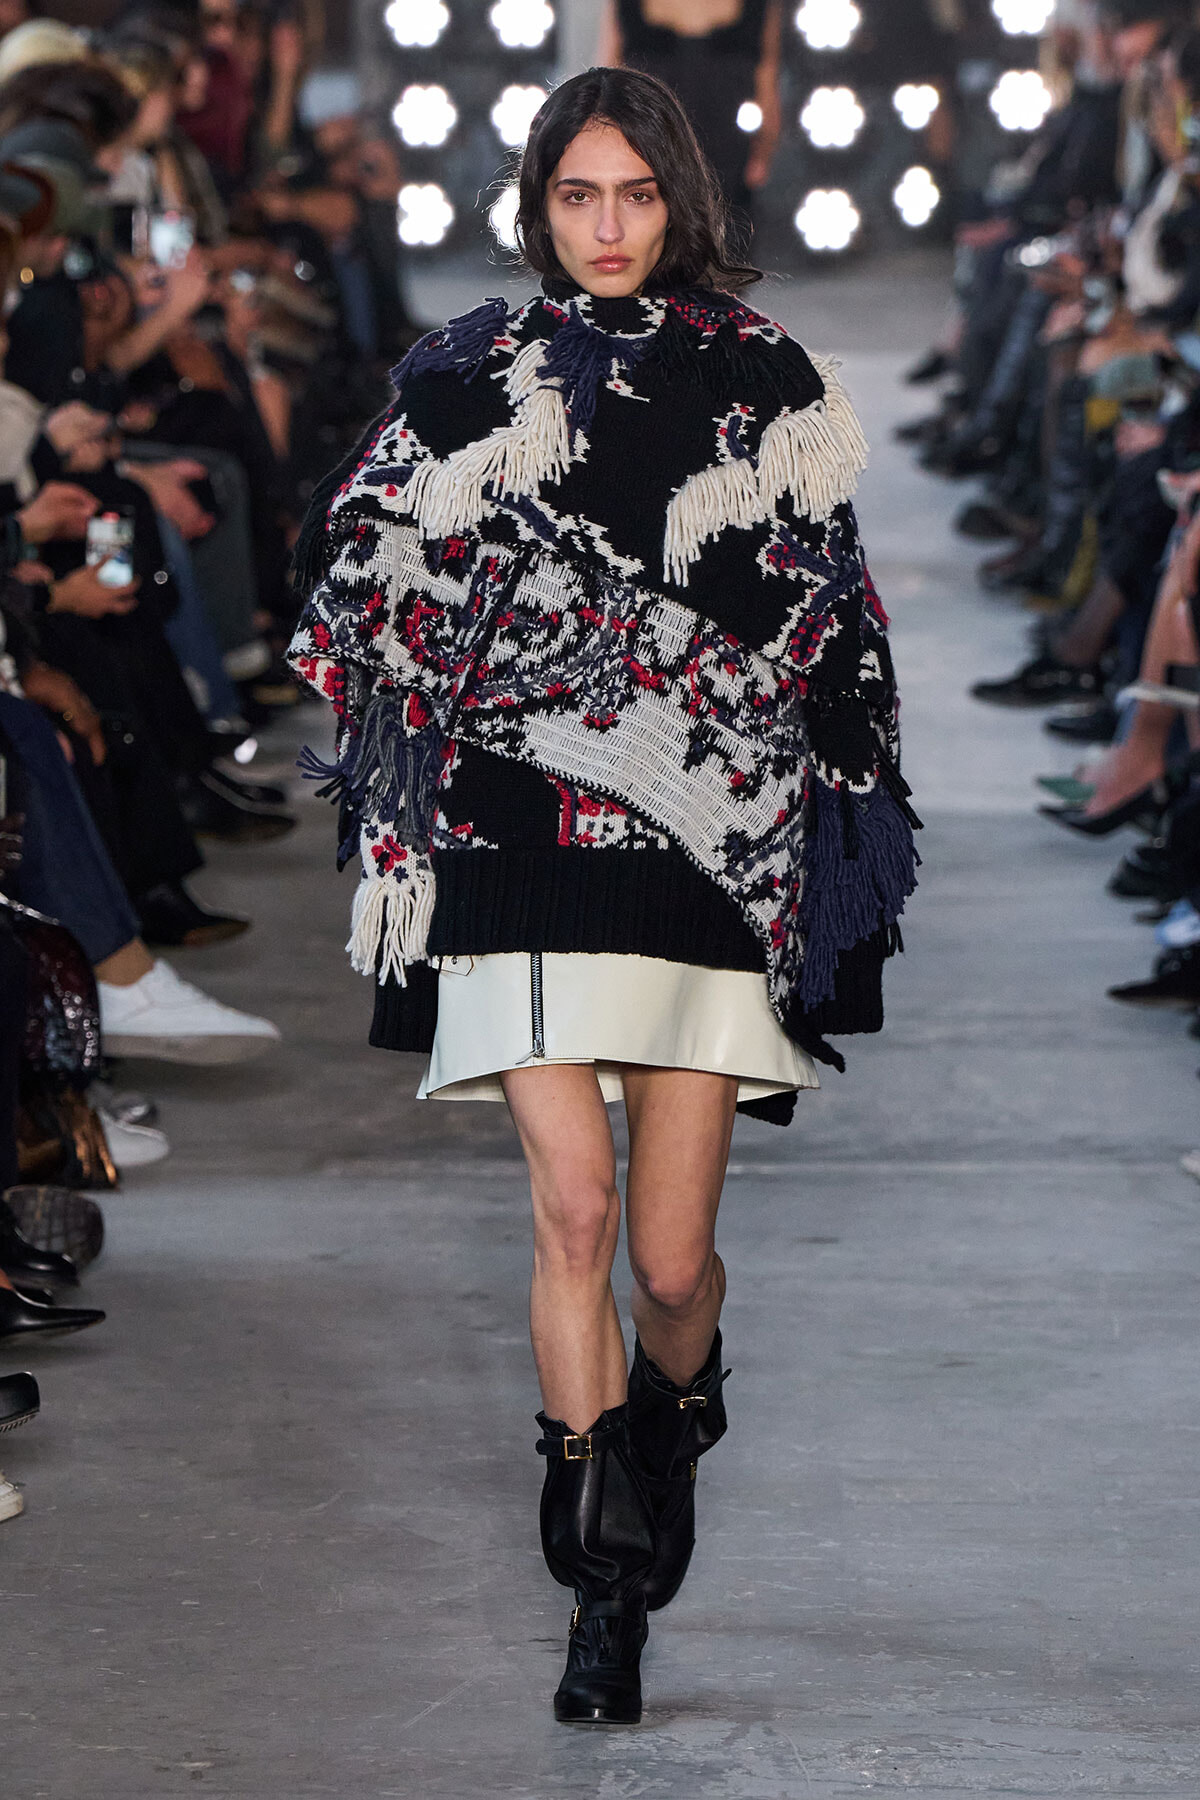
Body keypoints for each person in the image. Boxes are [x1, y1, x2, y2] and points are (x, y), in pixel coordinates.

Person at [290, 66, 917, 1725]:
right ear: (538, 205)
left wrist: (806, 807)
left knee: (665, 1257)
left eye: (637, 194)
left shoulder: (760, 375)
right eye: (580, 195)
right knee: (571, 1213)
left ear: (680, 200)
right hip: (519, 836)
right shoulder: (466, 367)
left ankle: (679, 1404)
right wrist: (543, 635)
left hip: (706, 844)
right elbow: (350, 566)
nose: (611, 226)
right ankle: (603, 1583)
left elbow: (834, 626)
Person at [598, 0, 782, 241]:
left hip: (657, 146)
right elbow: (766, 82)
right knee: (723, 254)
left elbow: (606, 78)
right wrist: (762, 154)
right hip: (710, 152)